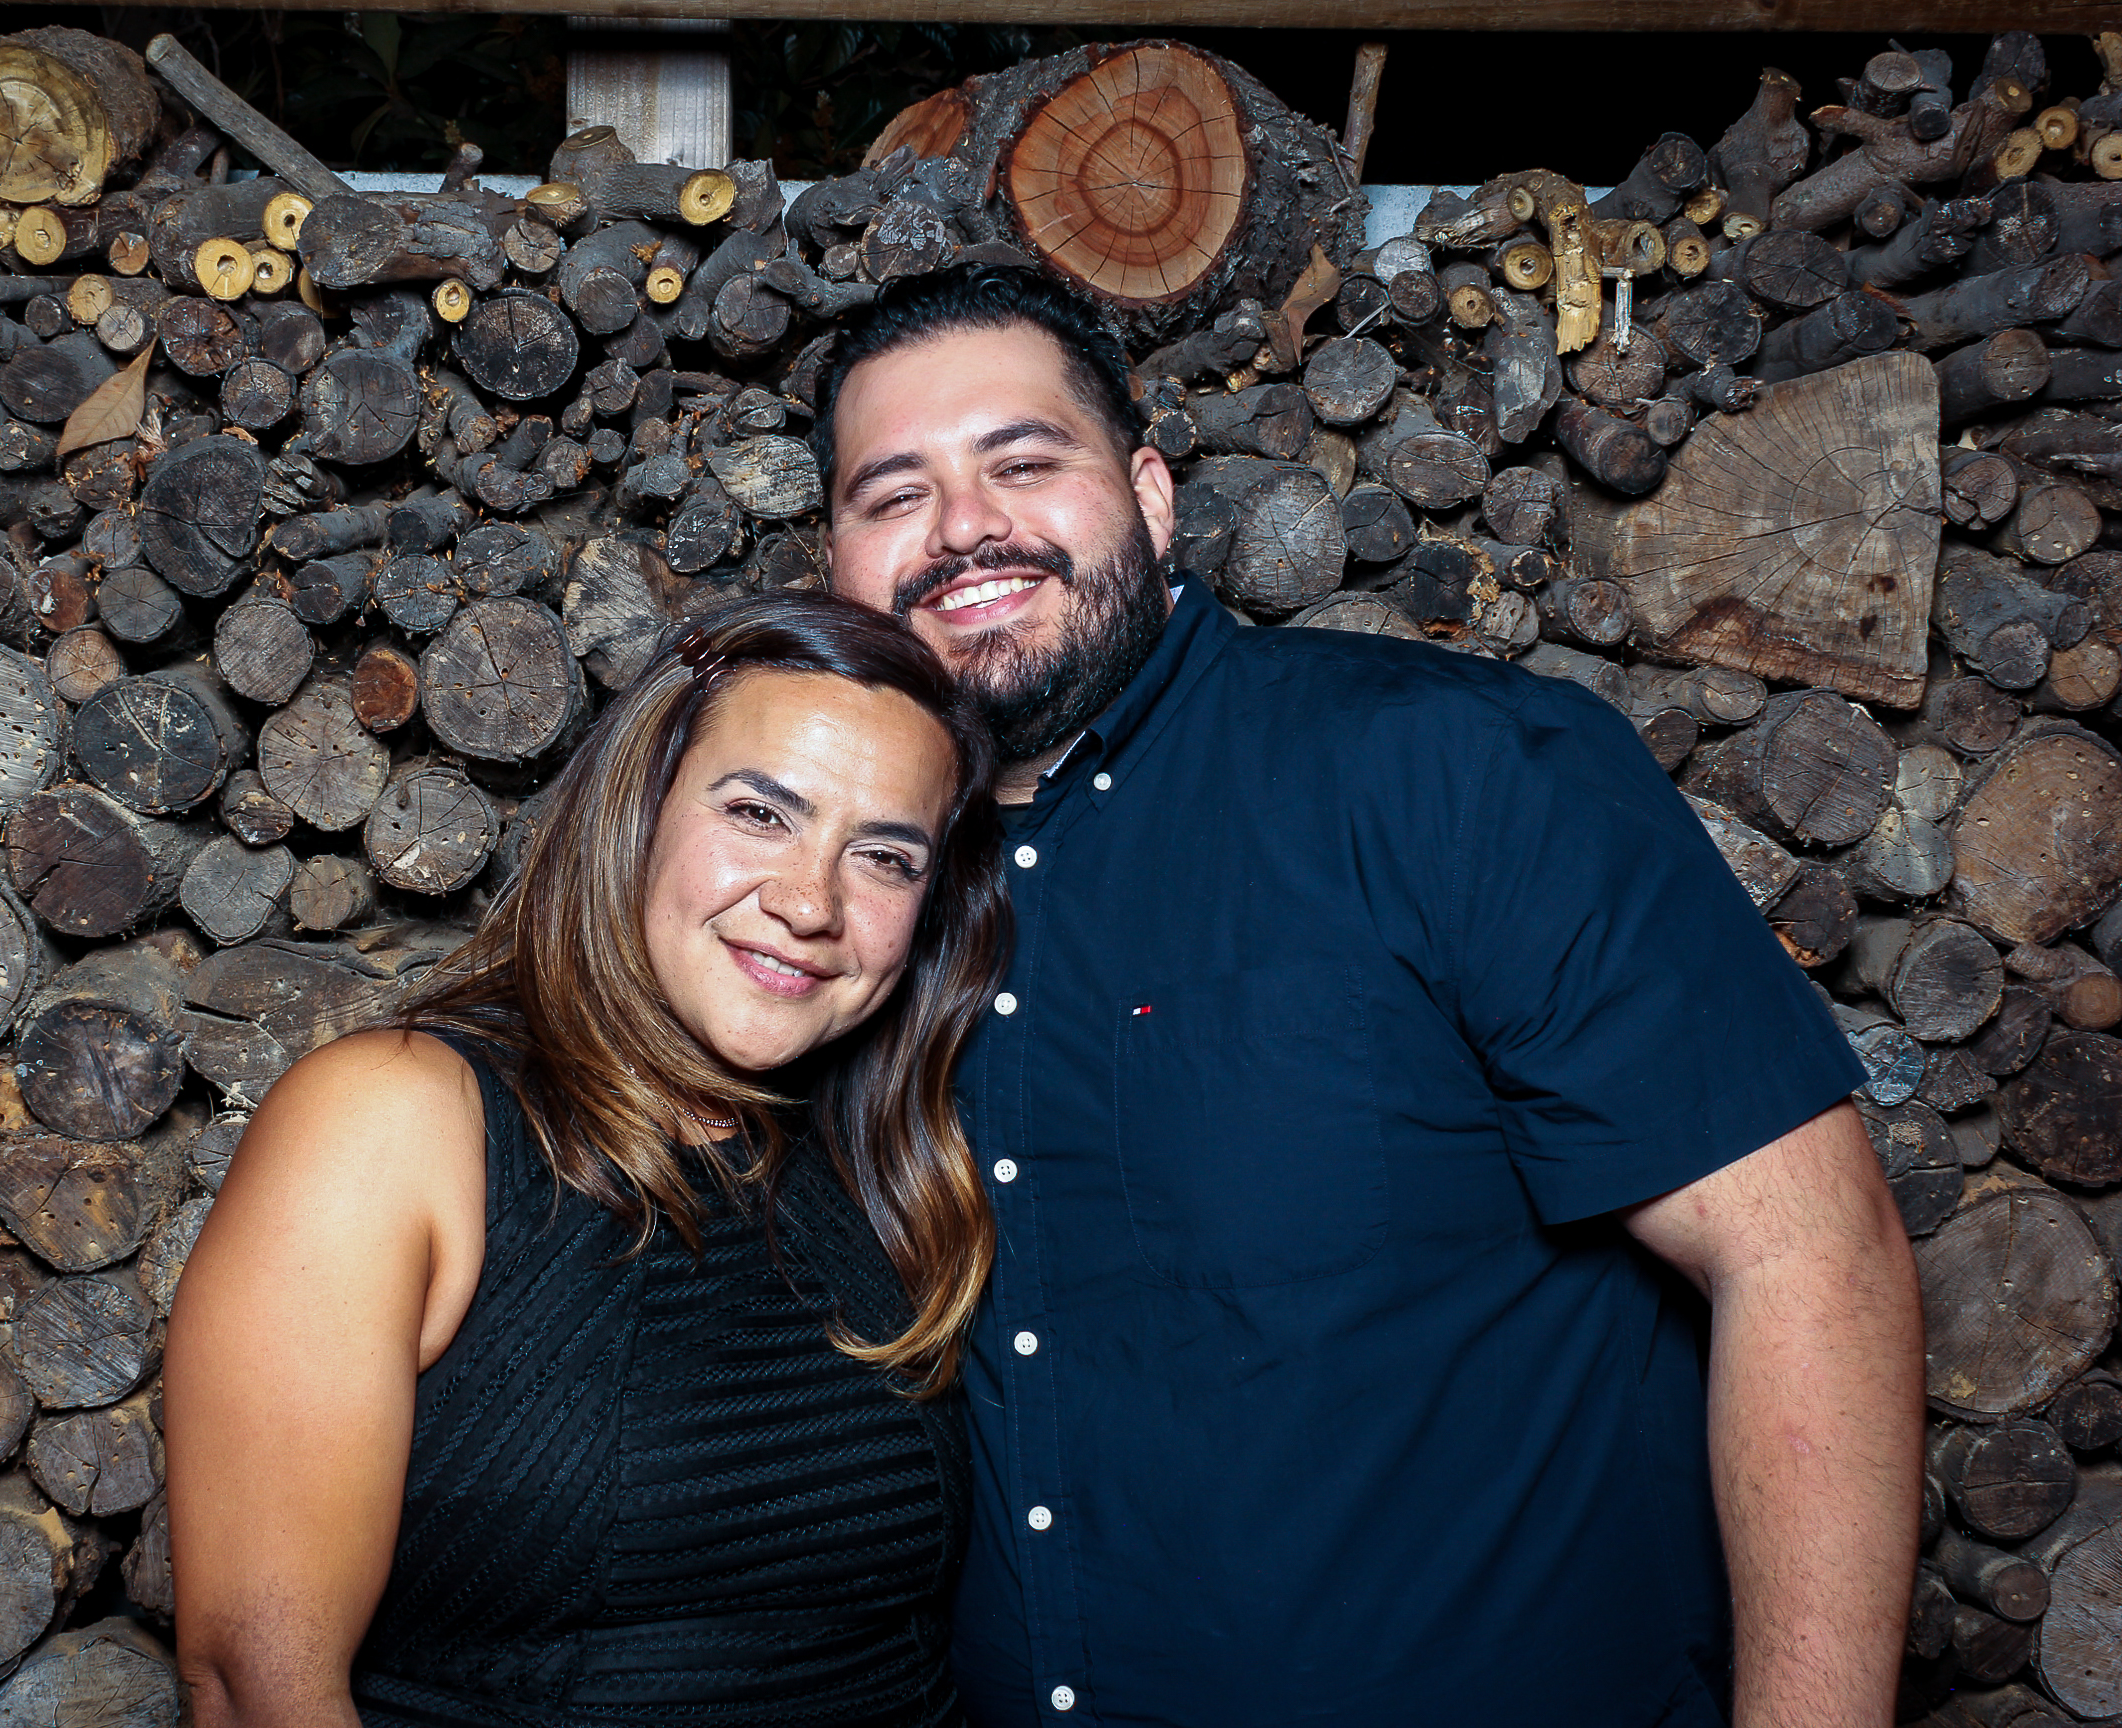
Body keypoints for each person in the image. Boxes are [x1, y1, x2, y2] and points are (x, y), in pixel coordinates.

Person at [812, 264, 1927, 1728]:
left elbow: (1809, 1262)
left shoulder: (1458, 770)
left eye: (1022, 463)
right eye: (894, 495)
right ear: (834, 560)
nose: (964, 527)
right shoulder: (836, 908)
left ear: (1149, 498)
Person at [164, 593, 1012, 1728]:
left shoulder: (879, 1166)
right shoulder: (393, 1121)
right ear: (638, 813)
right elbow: (254, 1687)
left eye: (886, 859)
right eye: (759, 812)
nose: (812, 903)